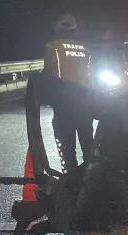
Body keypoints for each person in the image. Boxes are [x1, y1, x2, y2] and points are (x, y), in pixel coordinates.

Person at [42, 13, 94, 173]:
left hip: (64, 104)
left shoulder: (52, 46)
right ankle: (91, 177)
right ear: (75, 30)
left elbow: (48, 74)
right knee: (89, 146)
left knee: (67, 149)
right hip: (85, 104)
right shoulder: (85, 48)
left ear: (57, 28)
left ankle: (70, 179)